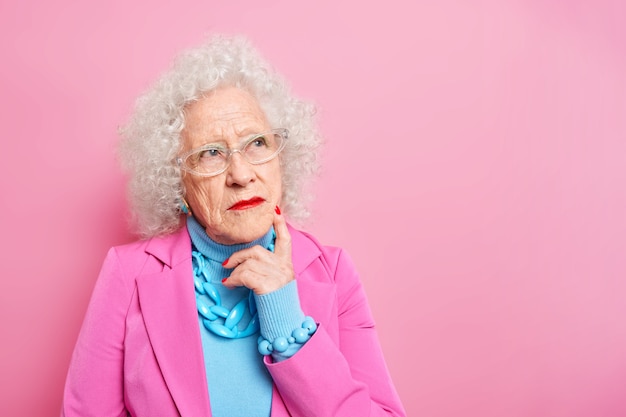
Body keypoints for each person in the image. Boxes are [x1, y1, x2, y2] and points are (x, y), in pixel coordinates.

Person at [61, 35, 406, 417]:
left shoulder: (334, 272)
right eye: (211, 153)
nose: (241, 174)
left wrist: (286, 322)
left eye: (256, 143)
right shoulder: (127, 275)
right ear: (178, 182)